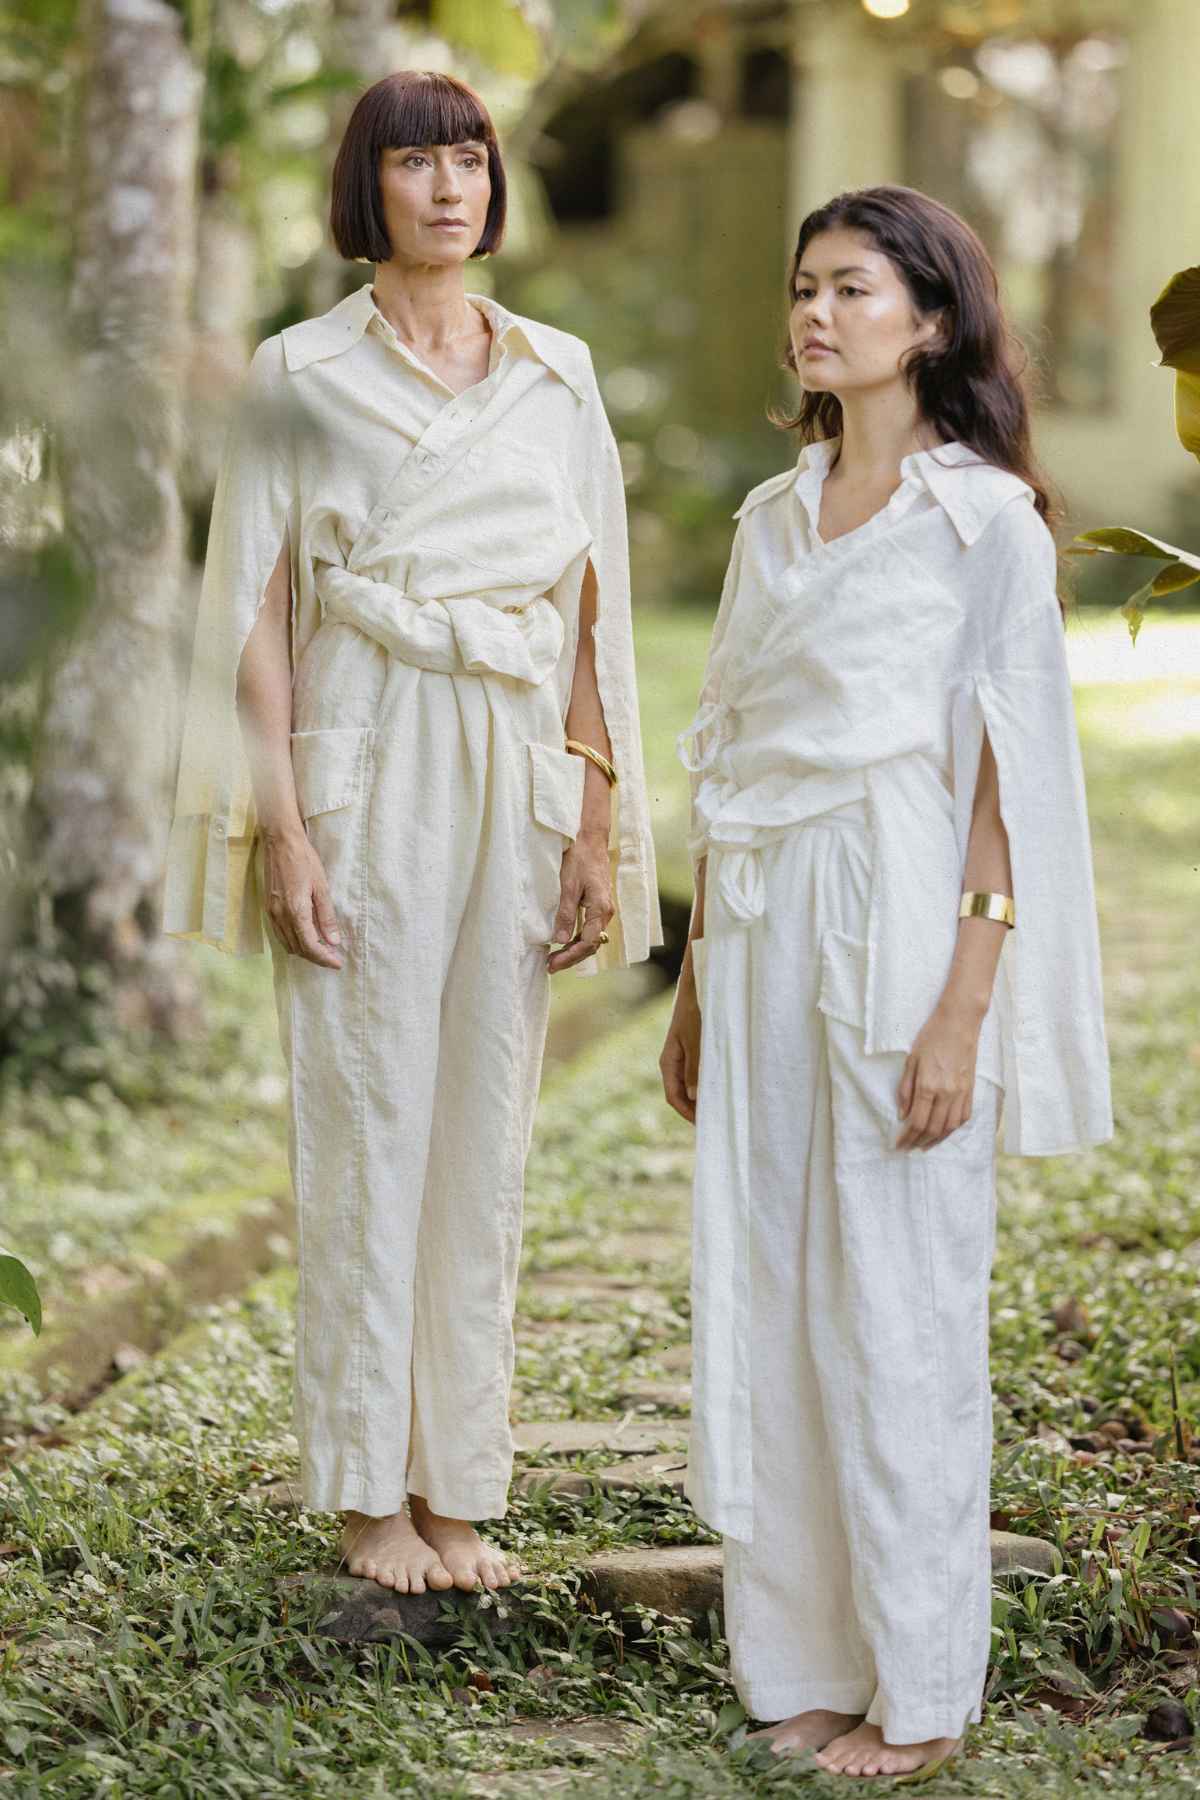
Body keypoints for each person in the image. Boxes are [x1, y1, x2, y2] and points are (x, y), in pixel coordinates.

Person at [164, 70, 660, 1596]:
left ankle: (460, 1484)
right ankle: (364, 1489)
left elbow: (592, 616)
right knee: (365, 1122)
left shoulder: (557, 374)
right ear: (366, 188)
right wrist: (286, 835)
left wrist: (598, 816)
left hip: (512, 757)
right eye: (415, 163)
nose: (448, 187)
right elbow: (253, 611)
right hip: (360, 754)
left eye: (469, 160)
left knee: (485, 1134)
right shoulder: (299, 370)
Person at [659, 185, 1111, 1780]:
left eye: (853, 288)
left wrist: (962, 1010)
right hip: (767, 924)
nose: (817, 312)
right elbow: (727, 754)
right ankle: (799, 1657)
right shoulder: (772, 519)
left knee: (899, 1298)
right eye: (804, 288)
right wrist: (700, 982)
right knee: (776, 1288)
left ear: (929, 320)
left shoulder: (984, 521)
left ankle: (918, 1690)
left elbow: (1008, 785)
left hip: (903, 915)